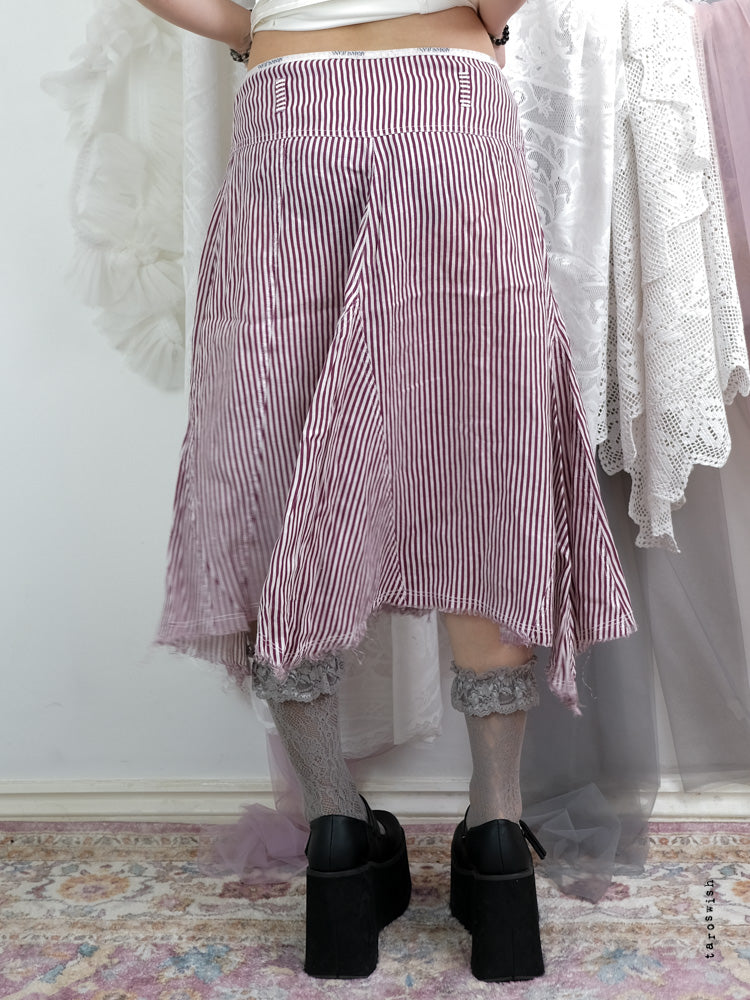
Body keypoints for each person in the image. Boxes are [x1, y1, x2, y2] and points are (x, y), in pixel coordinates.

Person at [136, 0, 636, 982]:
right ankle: (498, 839)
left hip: (290, 112)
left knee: (280, 465)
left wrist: (250, 26)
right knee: (482, 470)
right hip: (450, 106)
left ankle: (336, 832)